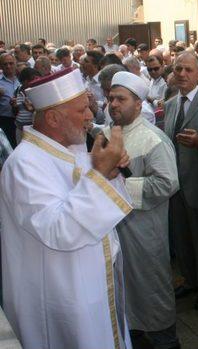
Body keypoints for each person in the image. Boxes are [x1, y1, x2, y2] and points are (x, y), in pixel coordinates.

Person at [0, 67, 133, 349]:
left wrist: (110, 172)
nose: (91, 116)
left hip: (92, 287)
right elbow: (58, 229)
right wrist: (100, 175)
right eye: (82, 109)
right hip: (61, 297)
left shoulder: (72, 151)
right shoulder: (25, 164)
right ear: (53, 118)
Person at [105, 72, 180, 349]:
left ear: (138, 104)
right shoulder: (103, 134)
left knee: (151, 292)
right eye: (111, 97)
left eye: (121, 99)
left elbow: (167, 183)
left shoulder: (153, 139)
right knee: (121, 293)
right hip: (112, 232)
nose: (114, 104)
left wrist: (116, 186)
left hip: (144, 233)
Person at [164, 52, 198, 310]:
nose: (182, 74)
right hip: (176, 186)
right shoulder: (171, 104)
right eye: (178, 70)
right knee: (182, 238)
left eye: (188, 70)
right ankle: (190, 280)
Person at [0, 53, 19, 147]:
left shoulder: (22, 78)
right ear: (1, 66)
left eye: (11, 63)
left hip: (22, 121)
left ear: (15, 63)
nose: (8, 66)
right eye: (5, 64)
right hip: (5, 121)